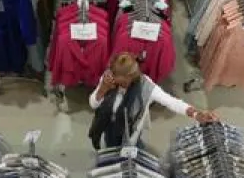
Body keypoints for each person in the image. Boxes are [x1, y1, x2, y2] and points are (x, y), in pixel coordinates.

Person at [88, 52, 217, 150]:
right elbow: (93, 104)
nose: (115, 82)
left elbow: (172, 102)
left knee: (132, 148)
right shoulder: (109, 78)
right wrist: (102, 89)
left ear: (130, 78)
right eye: (114, 77)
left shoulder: (146, 87)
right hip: (107, 127)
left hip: (132, 132)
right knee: (110, 149)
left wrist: (196, 114)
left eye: (120, 81)